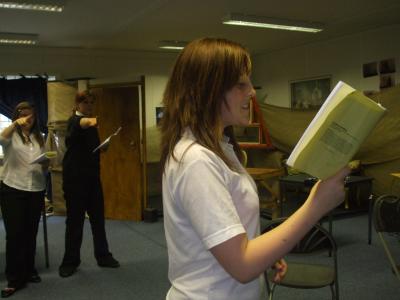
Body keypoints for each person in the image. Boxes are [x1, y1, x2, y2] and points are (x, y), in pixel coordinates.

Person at [160, 37, 350, 300]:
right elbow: (243, 265)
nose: (252, 91)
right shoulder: (197, 160)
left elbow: (233, 236)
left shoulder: (220, 148)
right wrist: (316, 204)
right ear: (208, 90)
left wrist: (265, 253)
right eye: (241, 84)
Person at [58, 90, 119, 278]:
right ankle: (70, 262)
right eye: (86, 103)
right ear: (77, 105)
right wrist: (92, 120)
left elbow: (88, 149)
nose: (90, 106)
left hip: (92, 179)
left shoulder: (91, 126)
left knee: (98, 220)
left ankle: (103, 256)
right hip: (75, 181)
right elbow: (82, 123)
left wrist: (103, 147)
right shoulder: (75, 121)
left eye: (92, 103)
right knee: (75, 222)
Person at [0, 102, 48, 298]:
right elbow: (1, 138)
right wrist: (16, 124)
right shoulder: (11, 136)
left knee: (30, 232)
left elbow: (44, 166)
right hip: (13, 189)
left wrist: (46, 163)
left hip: (35, 189)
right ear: (17, 117)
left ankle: (29, 270)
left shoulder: (38, 138)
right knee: (15, 234)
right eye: (24, 116)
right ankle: (14, 277)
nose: (28, 120)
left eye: (31, 117)